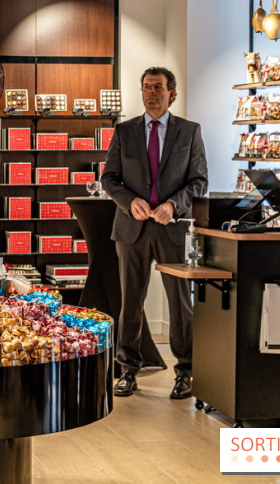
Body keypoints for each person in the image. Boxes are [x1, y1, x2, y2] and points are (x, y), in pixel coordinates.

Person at [101, 66, 208, 399]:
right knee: (130, 302)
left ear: (171, 93)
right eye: (146, 87)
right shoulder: (124, 131)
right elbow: (109, 179)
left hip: (172, 230)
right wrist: (128, 200)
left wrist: (174, 205)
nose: (151, 93)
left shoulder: (189, 132)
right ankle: (127, 370)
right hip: (131, 229)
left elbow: (200, 181)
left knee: (180, 305)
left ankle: (185, 372)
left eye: (158, 87)